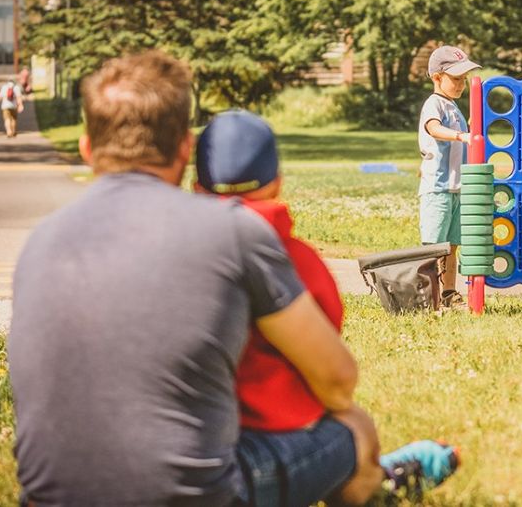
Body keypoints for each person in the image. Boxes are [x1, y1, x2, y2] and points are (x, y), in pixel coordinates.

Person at [8, 51, 457, 507]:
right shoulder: (231, 231)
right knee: (353, 430)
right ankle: (379, 482)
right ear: (185, 149)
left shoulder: (41, 242)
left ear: (87, 147)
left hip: (47, 499)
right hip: (195, 497)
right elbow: (337, 380)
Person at [194, 108, 458, 503]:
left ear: (197, 188)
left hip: (172, 442)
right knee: (355, 424)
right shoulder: (294, 259)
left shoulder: (169, 252)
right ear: (277, 183)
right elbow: (334, 372)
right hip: (261, 437)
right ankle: (379, 483)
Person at [418, 45, 480, 308]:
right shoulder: (434, 104)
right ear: (437, 77)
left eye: (464, 79)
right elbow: (433, 128)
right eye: (456, 79)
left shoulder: (453, 107)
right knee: (434, 246)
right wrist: (460, 135)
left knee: (452, 246)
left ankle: (448, 293)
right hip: (438, 188)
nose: (461, 84)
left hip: (457, 188)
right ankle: (427, 296)